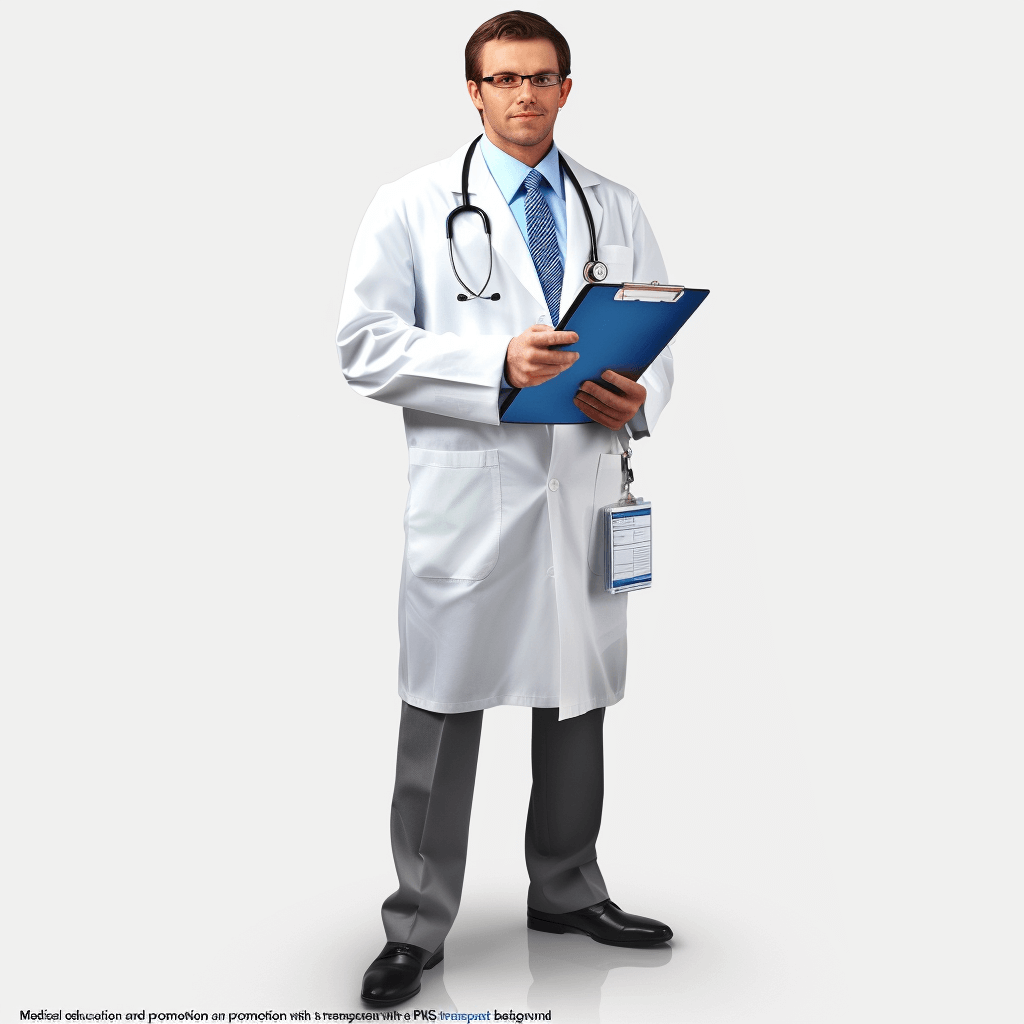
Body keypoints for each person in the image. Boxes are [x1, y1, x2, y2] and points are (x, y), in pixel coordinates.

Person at [336, 11, 675, 1008]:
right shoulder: (408, 206)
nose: (524, 94)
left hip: (578, 488)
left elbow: (658, 333)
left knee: (575, 700)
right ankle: (417, 923)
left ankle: (567, 889)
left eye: (542, 78)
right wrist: (491, 363)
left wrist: (642, 399)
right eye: (504, 79)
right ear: (473, 92)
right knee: (442, 708)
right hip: (469, 496)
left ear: (568, 89)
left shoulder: (611, 204)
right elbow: (360, 342)